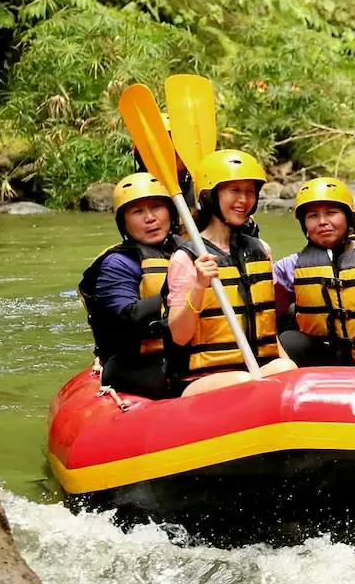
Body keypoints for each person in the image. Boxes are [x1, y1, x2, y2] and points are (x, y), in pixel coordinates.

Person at [164, 149, 297, 397]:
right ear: (211, 196)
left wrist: (290, 367)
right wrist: (199, 286)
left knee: (285, 369)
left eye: (249, 191)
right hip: (203, 379)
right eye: (234, 190)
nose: (243, 200)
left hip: (257, 370)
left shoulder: (261, 250)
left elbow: (266, 325)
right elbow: (179, 337)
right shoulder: (187, 258)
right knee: (243, 380)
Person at [78, 172, 183, 398]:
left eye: (157, 207)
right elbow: (127, 317)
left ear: (171, 212)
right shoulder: (118, 263)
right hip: (136, 363)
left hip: (188, 353)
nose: (150, 218)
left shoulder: (192, 250)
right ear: (123, 222)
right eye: (137, 212)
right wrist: (184, 292)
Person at [276, 178, 355, 366]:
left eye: (331, 213)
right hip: (323, 357)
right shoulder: (290, 265)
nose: (322, 222)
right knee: (289, 339)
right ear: (304, 224)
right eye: (313, 216)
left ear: (348, 217)